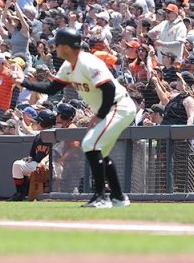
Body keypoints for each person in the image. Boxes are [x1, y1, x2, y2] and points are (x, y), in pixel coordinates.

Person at [14, 28, 136, 208]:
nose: (55, 48)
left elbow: (109, 89)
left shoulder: (88, 62)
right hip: (109, 109)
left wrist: (99, 115)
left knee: (90, 144)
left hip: (119, 106)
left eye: (57, 44)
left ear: (67, 47)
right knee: (100, 151)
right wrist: (23, 82)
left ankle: (102, 197)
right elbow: (51, 89)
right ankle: (118, 197)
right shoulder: (67, 66)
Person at [8, 108, 56, 201]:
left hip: (54, 165)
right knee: (18, 164)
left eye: (38, 121)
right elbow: (32, 155)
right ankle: (20, 192)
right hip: (37, 165)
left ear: (43, 123)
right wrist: (29, 159)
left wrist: (44, 162)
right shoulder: (39, 135)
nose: (36, 123)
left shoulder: (57, 134)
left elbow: (56, 153)